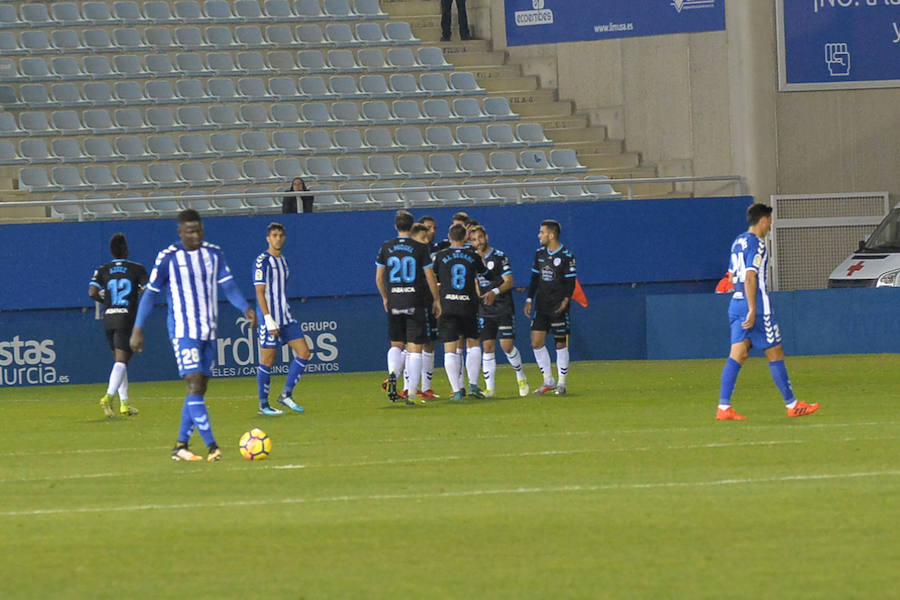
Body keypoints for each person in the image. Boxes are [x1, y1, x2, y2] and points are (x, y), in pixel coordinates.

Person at [130, 209, 257, 462]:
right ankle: (213, 447)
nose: (196, 235)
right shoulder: (168, 258)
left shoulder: (214, 253)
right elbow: (151, 294)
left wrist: (245, 307)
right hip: (183, 331)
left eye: (199, 229)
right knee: (194, 382)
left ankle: (180, 446)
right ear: (180, 232)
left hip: (209, 330)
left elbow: (228, 286)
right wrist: (137, 328)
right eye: (190, 231)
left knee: (199, 389)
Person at [717, 203, 820, 420]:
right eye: (770, 221)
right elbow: (750, 276)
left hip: (735, 303)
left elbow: (731, 276)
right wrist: (753, 309)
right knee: (775, 352)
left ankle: (724, 407)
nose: (770, 225)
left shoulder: (738, 241)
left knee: (738, 354)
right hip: (757, 306)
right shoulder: (757, 244)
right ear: (763, 220)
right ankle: (792, 405)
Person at [375, 210, 441, 404]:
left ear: (396, 226)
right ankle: (411, 391)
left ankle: (394, 372)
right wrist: (436, 300)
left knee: (396, 344)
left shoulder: (386, 247)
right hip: (415, 301)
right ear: (412, 227)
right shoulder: (420, 248)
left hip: (395, 300)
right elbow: (430, 276)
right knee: (414, 348)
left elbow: (379, 278)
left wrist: (385, 298)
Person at [434, 223, 502, 401]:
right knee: (473, 344)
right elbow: (489, 275)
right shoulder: (472, 256)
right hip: (468, 306)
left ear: (449, 238)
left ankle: (457, 391)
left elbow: (434, 277)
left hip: (447, 305)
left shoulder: (441, 256)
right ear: (465, 238)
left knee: (450, 348)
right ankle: (473, 385)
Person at [89, 233, 149, 418]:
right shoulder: (136, 269)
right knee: (122, 361)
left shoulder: (103, 269)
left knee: (119, 361)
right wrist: (138, 292)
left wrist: (106, 300)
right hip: (126, 317)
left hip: (109, 318)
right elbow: (148, 289)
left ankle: (124, 403)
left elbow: (92, 292)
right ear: (126, 249)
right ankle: (108, 396)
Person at [253, 222, 310, 416]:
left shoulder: (283, 261)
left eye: (280, 235)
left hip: (285, 316)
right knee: (267, 361)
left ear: (284, 238)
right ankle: (263, 405)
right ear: (268, 238)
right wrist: (268, 319)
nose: (277, 238)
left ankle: (286, 394)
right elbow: (260, 292)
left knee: (304, 352)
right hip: (269, 319)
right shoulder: (262, 261)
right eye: (274, 235)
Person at [469, 225, 530, 398]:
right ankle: (490, 388)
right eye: (474, 239)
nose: (478, 242)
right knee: (487, 346)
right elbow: (475, 280)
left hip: (503, 306)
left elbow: (509, 281)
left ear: (486, 237)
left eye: (480, 238)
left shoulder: (499, 257)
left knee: (506, 346)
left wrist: (494, 292)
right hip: (485, 309)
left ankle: (520, 376)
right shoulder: (472, 259)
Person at [524, 220, 576, 396]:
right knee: (536, 342)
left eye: (542, 232)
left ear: (551, 235)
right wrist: (529, 299)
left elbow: (571, 282)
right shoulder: (539, 254)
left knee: (560, 343)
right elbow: (534, 279)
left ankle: (562, 383)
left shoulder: (567, 255)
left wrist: (566, 300)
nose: (539, 235)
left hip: (558, 306)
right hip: (542, 305)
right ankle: (548, 380)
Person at [409, 222, 439, 400]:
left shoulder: (433, 251)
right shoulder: (416, 254)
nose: (426, 240)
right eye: (423, 237)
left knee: (428, 342)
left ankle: (425, 387)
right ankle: (411, 387)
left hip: (425, 302)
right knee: (413, 344)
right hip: (417, 302)